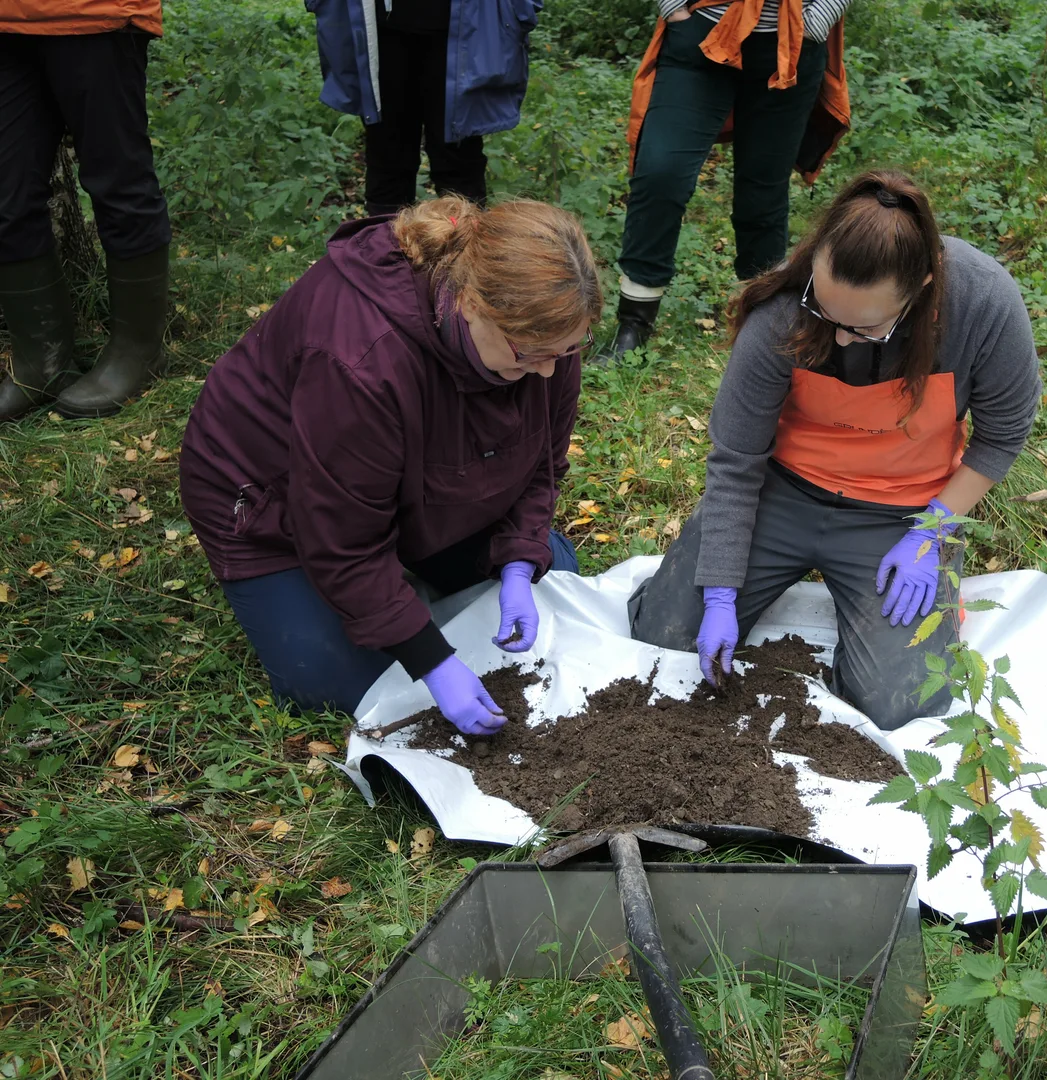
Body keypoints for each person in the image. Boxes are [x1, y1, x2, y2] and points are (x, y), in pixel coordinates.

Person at [630, 171, 1042, 730]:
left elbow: (1002, 436)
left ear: (922, 288)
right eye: (826, 314)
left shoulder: (982, 303)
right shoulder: (785, 304)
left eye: (865, 327)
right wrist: (721, 595)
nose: (841, 336)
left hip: (902, 515)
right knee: (665, 639)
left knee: (897, 704)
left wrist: (934, 529)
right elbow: (736, 458)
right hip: (781, 494)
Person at [179, 196, 601, 730]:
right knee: (339, 684)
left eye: (569, 349)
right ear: (471, 303)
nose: (549, 372)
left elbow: (541, 464)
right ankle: (391, 599)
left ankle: (409, 584)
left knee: (553, 578)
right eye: (531, 354)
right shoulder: (360, 362)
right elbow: (342, 540)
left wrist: (518, 561)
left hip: (421, 480)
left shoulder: (545, 337)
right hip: (275, 501)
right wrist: (433, 662)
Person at [598, 0, 852, 361]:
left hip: (792, 42)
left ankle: (762, 326)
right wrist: (673, 8)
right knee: (661, 174)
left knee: (763, 194)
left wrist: (822, 14)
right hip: (701, 33)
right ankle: (633, 325)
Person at [0, 0, 172, 420]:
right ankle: (42, 360)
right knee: (8, 192)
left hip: (98, 15)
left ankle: (138, 351)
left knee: (118, 182)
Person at [306, 0, 540, 216]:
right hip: (381, 34)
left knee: (458, 160)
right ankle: (386, 252)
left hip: (465, 36)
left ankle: (465, 252)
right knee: (387, 154)